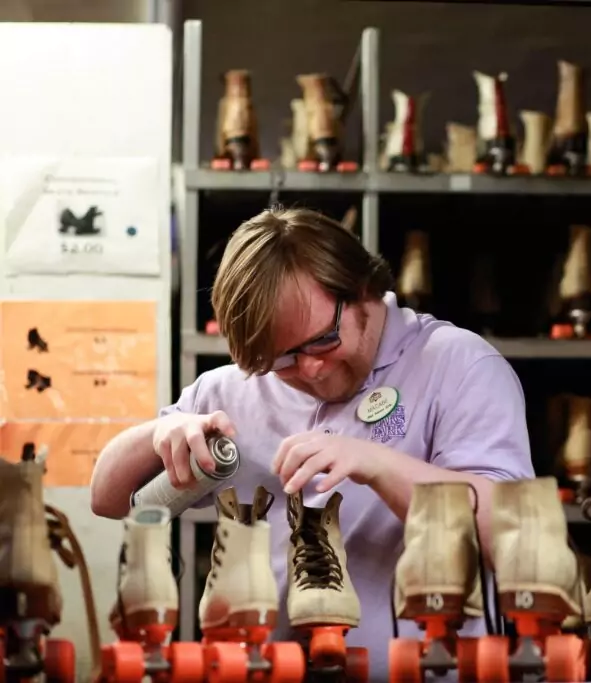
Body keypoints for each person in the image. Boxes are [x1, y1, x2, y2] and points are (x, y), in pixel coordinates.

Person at [90, 206, 535, 679]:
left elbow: (515, 537)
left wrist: (380, 466)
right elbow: (107, 498)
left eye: (322, 340)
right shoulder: (229, 391)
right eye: (281, 359)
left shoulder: (460, 367)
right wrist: (157, 434)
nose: (310, 369)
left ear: (363, 289)